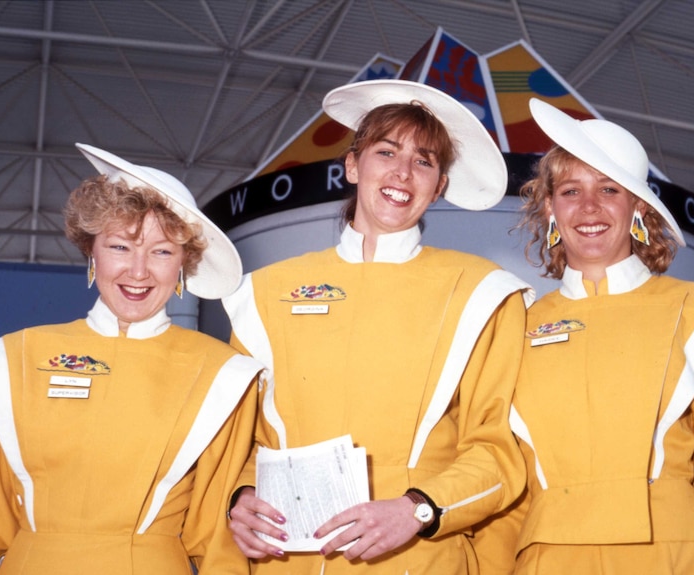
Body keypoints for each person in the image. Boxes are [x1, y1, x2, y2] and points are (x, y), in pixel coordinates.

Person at [222, 79, 533, 574]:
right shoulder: (264, 293)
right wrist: (239, 497)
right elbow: (240, 443)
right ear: (352, 165)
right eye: (386, 152)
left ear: (440, 187)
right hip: (289, 559)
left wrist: (419, 508)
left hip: (419, 557)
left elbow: (500, 452)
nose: (402, 173)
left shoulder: (483, 292)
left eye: (424, 161)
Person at [508, 99, 694, 574]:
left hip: (677, 560)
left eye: (609, 189)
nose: (589, 207)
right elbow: (505, 490)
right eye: (571, 190)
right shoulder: (513, 328)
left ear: (637, 207)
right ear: (550, 208)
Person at [0, 144, 264, 575]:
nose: (139, 271)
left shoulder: (225, 375)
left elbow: (219, 543)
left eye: (162, 252)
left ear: (185, 263)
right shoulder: (5, 361)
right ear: (91, 251)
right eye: (120, 247)